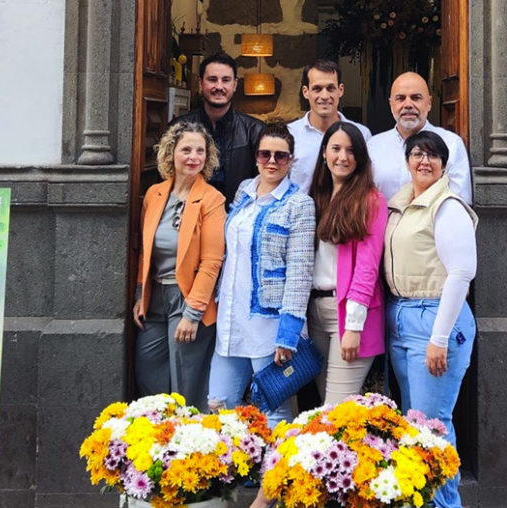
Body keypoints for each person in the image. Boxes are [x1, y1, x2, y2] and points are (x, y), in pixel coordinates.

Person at [383, 130, 477, 508]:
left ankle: (446, 504)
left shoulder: (447, 206)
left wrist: (439, 337)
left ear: (443, 164)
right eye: (417, 154)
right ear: (407, 161)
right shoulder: (402, 203)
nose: (424, 161)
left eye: (432, 156)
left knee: (432, 427)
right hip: (403, 315)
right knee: (414, 423)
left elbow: (460, 274)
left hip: (434, 316)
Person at [208, 123, 315, 429]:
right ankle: (239, 465)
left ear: (291, 160)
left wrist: (289, 332)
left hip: (269, 323)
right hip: (231, 316)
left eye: (280, 156)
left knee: (274, 409)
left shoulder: (300, 204)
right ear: (255, 156)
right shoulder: (244, 190)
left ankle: (273, 473)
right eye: (265, 154)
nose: (272, 161)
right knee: (221, 402)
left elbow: (300, 270)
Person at [132, 121, 226, 411]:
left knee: (187, 388)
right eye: (186, 149)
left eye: (200, 150)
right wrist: (140, 294)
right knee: (148, 378)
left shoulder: (212, 199)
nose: (193, 157)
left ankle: (190, 449)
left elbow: (212, 262)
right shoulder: (154, 194)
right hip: (155, 297)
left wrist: (193, 313)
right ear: (171, 153)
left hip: (188, 299)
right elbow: (144, 251)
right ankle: (151, 445)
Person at [306, 122, 387, 406]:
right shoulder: (315, 198)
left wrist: (353, 327)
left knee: (335, 412)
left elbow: (367, 267)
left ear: (361, 158)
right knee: (322, 410)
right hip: (314, 313)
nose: (343, 157)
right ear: (324, 153)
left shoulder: (371, 201)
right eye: (336, 148)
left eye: (351, 150)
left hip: (349, 316)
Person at [172, 52, 265, 203]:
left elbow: (266, 183)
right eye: (212, 80)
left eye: (226, 80)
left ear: (235, 85)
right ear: (201, 83)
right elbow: (166, 178)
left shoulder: (255, 131)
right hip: (189, 216)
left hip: (237, 218)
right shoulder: (178, 128)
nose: (219, 86)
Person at [367, 72, 472, 204]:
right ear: (391, 104)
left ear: (429, 103)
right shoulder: (373, 146)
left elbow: (460, 202)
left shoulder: (451, 144)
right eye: (400, 98)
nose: (408, 104)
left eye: (416, 98)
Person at [287, 60, 372, 193]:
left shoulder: (362, 134)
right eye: (317, 89)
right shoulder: (290, 134)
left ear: (340, 90)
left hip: (349, 212)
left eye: (330, 88)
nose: (325, 96)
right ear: (305, 92)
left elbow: (366, 179)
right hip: (301, 213)